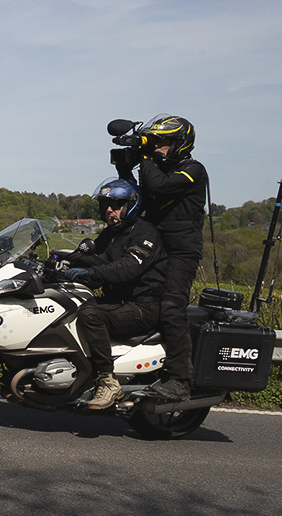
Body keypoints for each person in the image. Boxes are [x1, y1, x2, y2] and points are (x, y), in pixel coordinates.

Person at [116, 114, 207, 401]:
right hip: (156, 246)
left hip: (181, 251)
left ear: (181, 143)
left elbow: (159, 187)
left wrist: (143, 153)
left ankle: (180, 380)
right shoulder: (157, 168)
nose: (157, 147)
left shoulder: (193, 170)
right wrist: (125, 169)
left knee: (170, 307)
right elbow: (143, 197)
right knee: (127, 292)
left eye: (163, 142)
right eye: (155, 141)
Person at [63, 179, 166, 410]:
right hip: (120, 302)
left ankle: (107, 381)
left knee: (91, 315)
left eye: (117, 204)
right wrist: (61, 260)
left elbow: (127, 267)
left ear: (131, 205)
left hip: (143, 306)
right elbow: (97, 258)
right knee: (68, 307)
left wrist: (88, 272)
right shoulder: (112, 233)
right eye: (106, 205)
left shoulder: (144, 232)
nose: (110, 210)